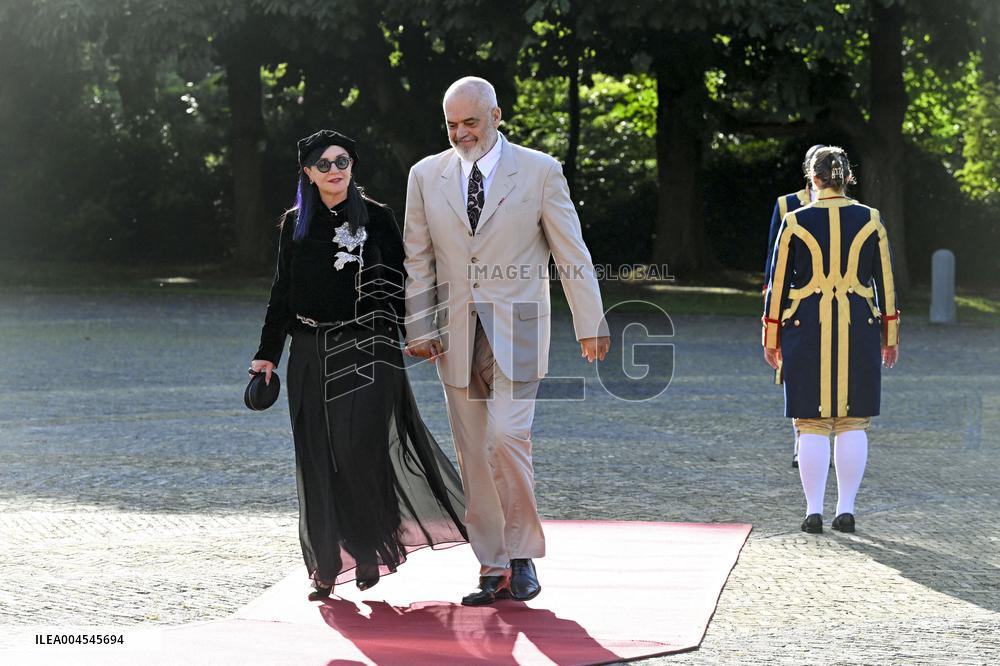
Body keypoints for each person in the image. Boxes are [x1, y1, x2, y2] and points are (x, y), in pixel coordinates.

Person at [402, 77, 610, 606]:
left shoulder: (540, 171)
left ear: (497, 116)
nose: (460, 133)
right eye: (451, 124)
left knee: (505, 439)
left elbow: (571, 251)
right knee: (474, 454)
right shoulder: (425, 175)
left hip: (518, 329)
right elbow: (418, 260)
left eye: (470, 122)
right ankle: (492, 567)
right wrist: (419, 326)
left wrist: (592, 322)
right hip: (452, 336)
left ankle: (522, 555)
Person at [249, 129, 468, 600]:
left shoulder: (379, 218)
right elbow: (281, 293)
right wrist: (268, 353)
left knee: (357, 452)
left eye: (342, 161)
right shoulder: (295, 224)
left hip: (369, 348)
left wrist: (419, 334)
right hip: (308, 348)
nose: (334, 170)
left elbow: (403, 280)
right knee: (317, 454)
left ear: (353, 165)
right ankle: (326, 565)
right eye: (323, 163)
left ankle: (370, 549)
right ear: (307, 172)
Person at [762, 146, 900, 534]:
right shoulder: (871, 219)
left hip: (805, 327)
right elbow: (885, 282)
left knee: (811, 422)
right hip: (859, 325)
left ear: (814, 177)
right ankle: (847, 509)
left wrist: (771, 334)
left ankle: (812, 511)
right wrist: (890, 334)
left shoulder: (794, 220)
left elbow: (777, 286)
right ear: (846, 177)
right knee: (854, 420)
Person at [765, 144, 825, 469]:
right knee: (795, 374)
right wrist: (771, 309)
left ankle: (821, 439)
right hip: (794, 303)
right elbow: (773, 263)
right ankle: (801, 440)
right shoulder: (787, 204)